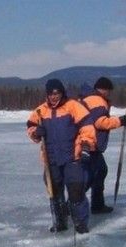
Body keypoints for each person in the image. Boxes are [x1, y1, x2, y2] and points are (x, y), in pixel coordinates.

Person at [26, 79, 97, 234]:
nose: (53, 96)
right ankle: (60, 222)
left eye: (56, 93)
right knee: (55, 192)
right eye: (50, 93)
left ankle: (80, 224)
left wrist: (85, 146)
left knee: (76, 190)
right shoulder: (40, 111)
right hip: (51, 160)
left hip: (72, 157)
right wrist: (36, 132)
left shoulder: (73, 106)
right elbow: (30, 127)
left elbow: (87, 127)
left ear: (62, 92)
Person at [79, 76, 126, 214]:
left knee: (98, 172)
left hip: (87, 142)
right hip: (91, 143)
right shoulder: (97, 100)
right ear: (104, 89)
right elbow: (100, 122)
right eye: (109, 90)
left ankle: (95, 204)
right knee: (93, 174)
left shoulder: (88, 98)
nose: (109, 93)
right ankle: (79, 203)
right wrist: (120, 121)